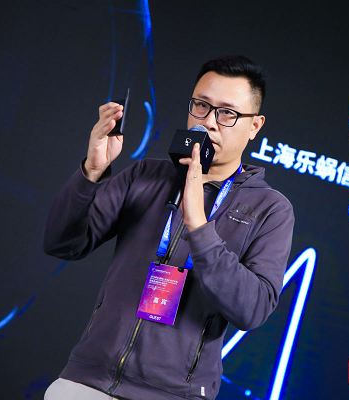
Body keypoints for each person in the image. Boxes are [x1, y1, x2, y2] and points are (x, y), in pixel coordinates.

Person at [43, 55, 294, 400]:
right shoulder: (145, 175)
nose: (209, 122)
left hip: (175, 394)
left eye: (227, 113)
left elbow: (253, 309)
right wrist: (92, 172)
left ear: (254, 126)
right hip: (87, 382)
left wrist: (199, 227)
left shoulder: (270, 209)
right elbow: (62, 244)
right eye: (201, 106)